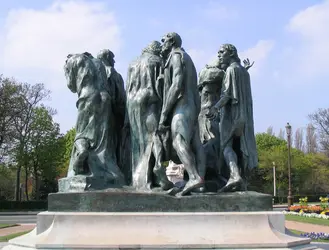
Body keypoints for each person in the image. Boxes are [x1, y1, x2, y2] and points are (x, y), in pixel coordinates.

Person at [64, 52, 125, 187]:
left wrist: (67, 71)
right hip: (105, 99)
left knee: (82, 134)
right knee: (103, 142)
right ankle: (105, 169)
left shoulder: (73, 60)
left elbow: (71, 87)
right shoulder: (98, 63)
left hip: (87, 97)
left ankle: (83, 151)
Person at [206, 44, 258, 192]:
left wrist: (215, 107)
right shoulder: (243, 72)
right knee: (240, 149)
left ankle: (235, 176)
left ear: (231, 53)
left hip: (231, 116)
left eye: (222, 52)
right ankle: (242, 182)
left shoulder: (230, 70)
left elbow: (227, 94)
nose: (219, 55)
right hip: (245, 117)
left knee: (226, 147)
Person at [159, 32, 205, 195]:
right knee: (195, 145)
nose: (162, 43)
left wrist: (164, 113)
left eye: (163, 40)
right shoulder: (188, 58)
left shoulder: (176, 56)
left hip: (181, 107)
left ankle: (193, 177)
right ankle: (200, 181)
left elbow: (176, 85)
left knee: (178, 141)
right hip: (192, 107)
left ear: (171, 41)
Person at [126, 41, 173, 191]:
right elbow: (164, 86)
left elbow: (128, 87)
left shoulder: (132, 63)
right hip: (152, 100)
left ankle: (138, 179)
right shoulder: (158, 61)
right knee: (154, 136)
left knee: (138, 141)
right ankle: (156, 172)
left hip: (133, 103)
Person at [97, 49, 130, 183]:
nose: (114, 61)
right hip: (112, 114)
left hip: (97, 115)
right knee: (114, 146)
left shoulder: (95, 72)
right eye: (112, 57)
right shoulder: (112, 72)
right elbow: (120, 98)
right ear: (107, 57)